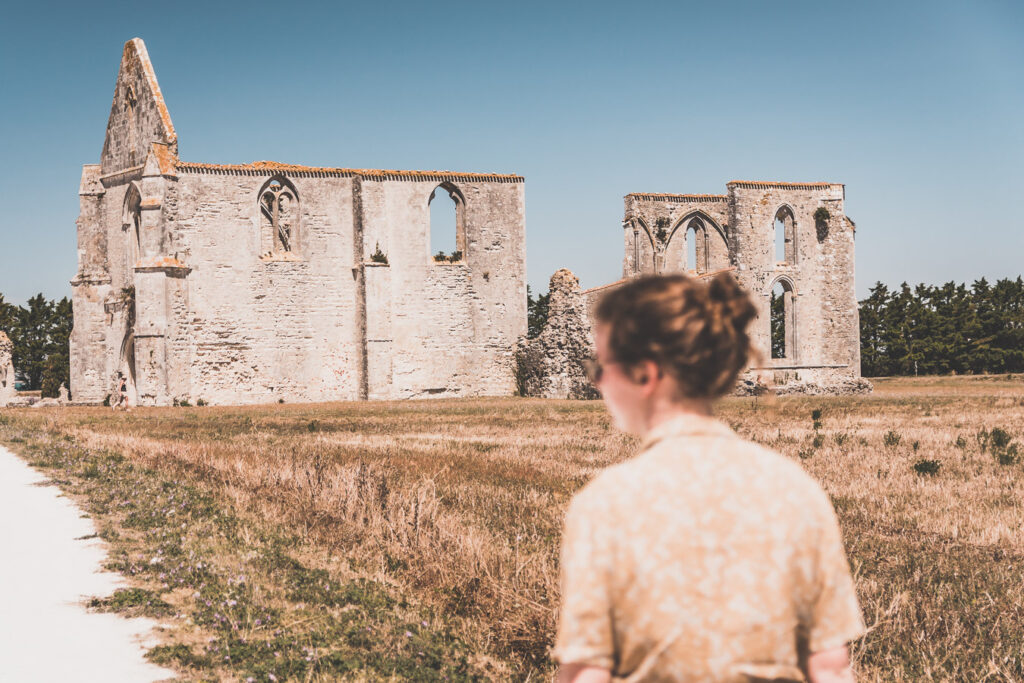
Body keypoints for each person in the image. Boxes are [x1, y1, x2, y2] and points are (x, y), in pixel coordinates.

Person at [554, 273, 864, 683]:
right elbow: (830, 667)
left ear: (646, 374)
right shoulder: (796, 490)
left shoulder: (603, 504)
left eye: (601, 366)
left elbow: (586, 674)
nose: (598, 382)